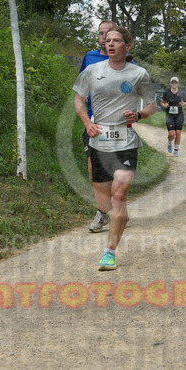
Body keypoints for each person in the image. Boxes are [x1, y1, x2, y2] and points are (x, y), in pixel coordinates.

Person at [73, 26, 157, 271]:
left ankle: (109, 253)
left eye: (116, 41)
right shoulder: (92, 70)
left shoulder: (139, 74)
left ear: (127, 46)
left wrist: (139, 115)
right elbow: (78, 99)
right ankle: (119, 216)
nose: (110, 44)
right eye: (108, 40)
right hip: (99, 140)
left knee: (119, 195)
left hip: (125, 141)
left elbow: (152, 105)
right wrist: (87, 123)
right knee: (107, 200)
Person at [80, 20, 116, 233]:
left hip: (116, 122)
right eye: (100, 33)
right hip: (94, 120)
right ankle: (102, 213)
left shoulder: (126, 59)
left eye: (107, 33)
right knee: (94, 166)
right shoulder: (89, 57)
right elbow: (82, 86)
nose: (103, 37)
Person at [160, 76, 186, 157]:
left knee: (178, 132)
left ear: (178, 84)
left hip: (179, 114)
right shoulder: (166, 93)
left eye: (175, 82)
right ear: (170, 83)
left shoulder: (182, 92)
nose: (174, 84)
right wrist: (165, 105)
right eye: (172, 82)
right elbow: (162, 102)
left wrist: (184, 104)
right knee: (172, 134)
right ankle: (170, 142)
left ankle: (176, 150)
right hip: (169, 114)